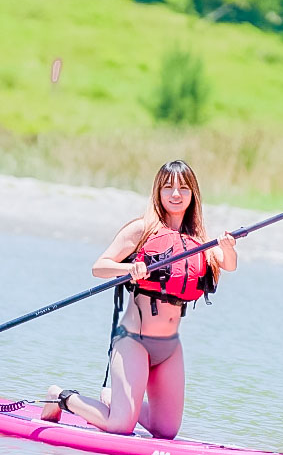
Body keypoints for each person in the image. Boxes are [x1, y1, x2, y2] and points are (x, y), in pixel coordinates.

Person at [40, 160, 237, 438]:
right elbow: (99, 266)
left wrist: (228, 247)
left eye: (183, 188)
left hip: (169, 349)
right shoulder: (142, 229)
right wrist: (128, 269)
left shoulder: (199, 239)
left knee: (166, 431)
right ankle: (60, 396)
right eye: (168, 188)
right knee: (121, 427)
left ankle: (114, 400)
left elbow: (229, 264)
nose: (176, 194)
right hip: (134, 341)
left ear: (193, 193)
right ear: (158, 192)